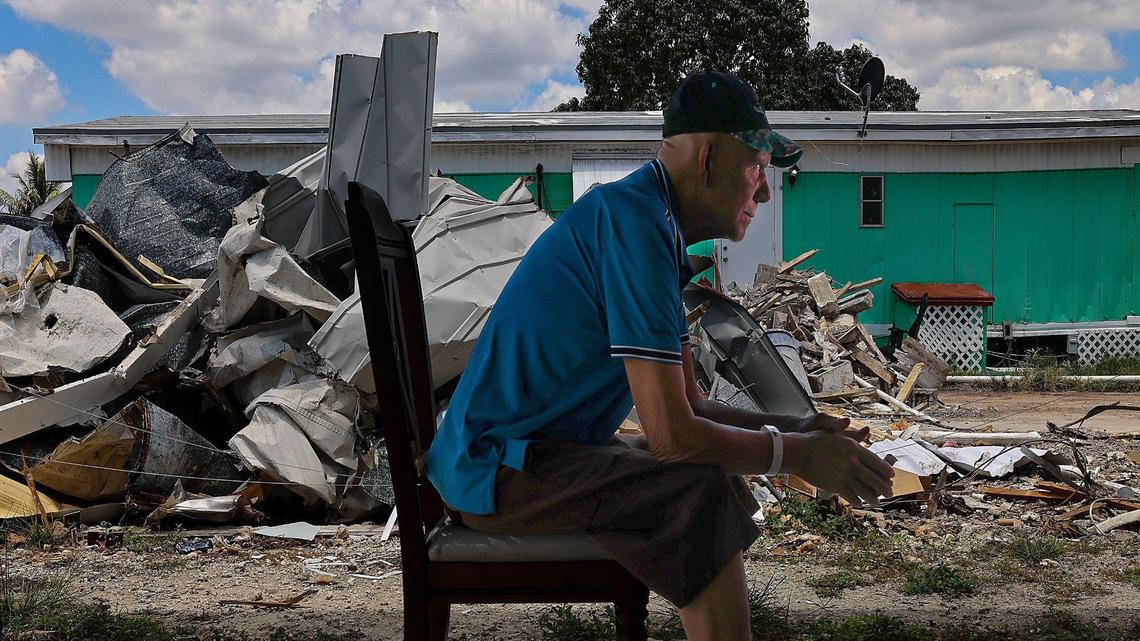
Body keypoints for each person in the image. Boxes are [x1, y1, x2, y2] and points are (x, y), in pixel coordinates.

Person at [426, 70, 895, 641]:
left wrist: (794, 425)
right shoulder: (636, 224)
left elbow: (690, 407)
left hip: (523, 458)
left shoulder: (648, 222)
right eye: (758, 167)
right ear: (708, 159)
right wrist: (794, 455)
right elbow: (674, 437)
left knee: (709, 479)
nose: (766, 191)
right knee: (694, 492)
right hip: (498, 469)